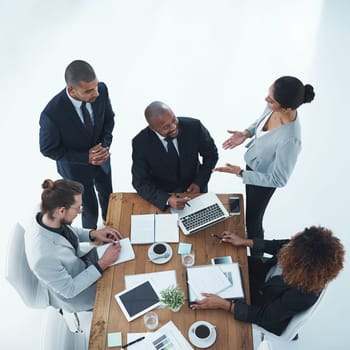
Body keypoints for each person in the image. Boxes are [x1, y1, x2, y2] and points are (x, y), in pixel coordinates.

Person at [214, 76, 315, 256]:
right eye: (268, 95)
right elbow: (260, 121)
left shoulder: (291, 139)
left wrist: (241, 173)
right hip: (252, 167)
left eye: (271, 99)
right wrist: (246, 133)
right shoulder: (273, 106)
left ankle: (256, 260)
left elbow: (279, 179)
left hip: (264, 181)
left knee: (253, 221)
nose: (266, 100)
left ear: (286, 108)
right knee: (248, 214)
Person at [191, 226, 345, 336]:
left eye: (293, 243)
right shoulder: (300, 247)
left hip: (263, 306)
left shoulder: (303, 294)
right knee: (223, 259)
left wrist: (224, 305)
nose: (292, 238)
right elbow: (277, 245)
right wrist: (244, 241)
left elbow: (264, 316)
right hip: (264, 278)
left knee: (209, 305)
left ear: (298, 263)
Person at [25, 179, 122, 312]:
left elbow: (67, 231)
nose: (80, 211)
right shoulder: (43, 258)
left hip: (81, 264)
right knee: (123, 287)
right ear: (61, 211)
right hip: (79, 291)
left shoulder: (47, 212)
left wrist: (94, 234)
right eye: (77, 208)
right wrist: (103, 263)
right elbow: (70, 290)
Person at [39, 60, 115, 229]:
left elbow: (109, 120)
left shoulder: (101, 90)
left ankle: (111, 225)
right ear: (72, 90)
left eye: (95, 86)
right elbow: (47, 149)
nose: (95, 93)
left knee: (108, 198)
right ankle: (92, 239)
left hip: (103, 161)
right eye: (88, 91)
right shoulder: (52, 114)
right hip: (76, 171)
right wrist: (85, 157)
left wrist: (104, 145)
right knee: (89, 209)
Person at [132, 101, 218, 210]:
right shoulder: (140, 143)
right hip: (162, 196)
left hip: (195, 191)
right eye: (166, 127)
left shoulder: (194, 127)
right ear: (153, 129)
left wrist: (199, 182)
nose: (173, 127)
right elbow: (140, 182)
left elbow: (211, 155)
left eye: (174, 120)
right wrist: (167, 199)